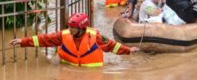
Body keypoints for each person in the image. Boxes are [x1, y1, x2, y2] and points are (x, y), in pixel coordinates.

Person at [9, 13, 139, 67]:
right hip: (67, 66)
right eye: (69, 27)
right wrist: (23, 41)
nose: (70, 30)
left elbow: (112, 46)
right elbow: (45, 39)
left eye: (73, 28)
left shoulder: (96, 37)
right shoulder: (64, 35)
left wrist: (128, 50)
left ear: (82, 28)